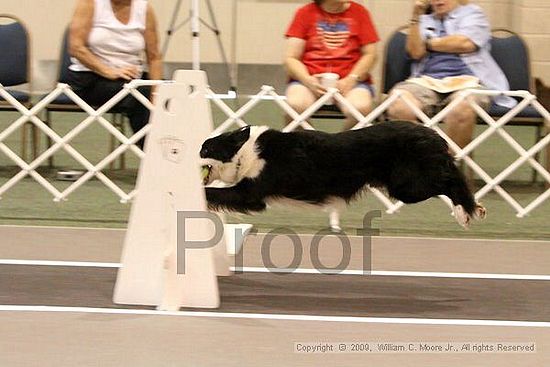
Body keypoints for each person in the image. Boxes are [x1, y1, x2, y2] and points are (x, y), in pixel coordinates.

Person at [387, 0, 515, 149]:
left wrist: (428, 44)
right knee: (399, 105)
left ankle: (448, 164)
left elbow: (465, 44)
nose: (438, 1)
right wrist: (416, 16)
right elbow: (416, 52)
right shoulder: (423, 20)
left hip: (469, 81)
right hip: (427, 81)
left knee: (462, 108)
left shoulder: (473, 13)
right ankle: (421, 162)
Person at [68, 0, 162, 144]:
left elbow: (154, 57)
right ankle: (153, 155)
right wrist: (109, 71)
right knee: (140, 95)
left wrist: (157, 93)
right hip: (91, 79)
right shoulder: (89, 4)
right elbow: (76, 47)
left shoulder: (144, 9)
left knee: (170, 94)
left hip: (131, 78)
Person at [284, 0, 379, 130]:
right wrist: (307, 79)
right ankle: (309, 146)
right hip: (310, 79)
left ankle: (343, 146)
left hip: (351, 80)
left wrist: (351, 79)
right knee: (295, 105)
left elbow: (370, 55)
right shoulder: (305, 13)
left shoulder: (360, 12)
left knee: (360, 108)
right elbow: (291, 58)